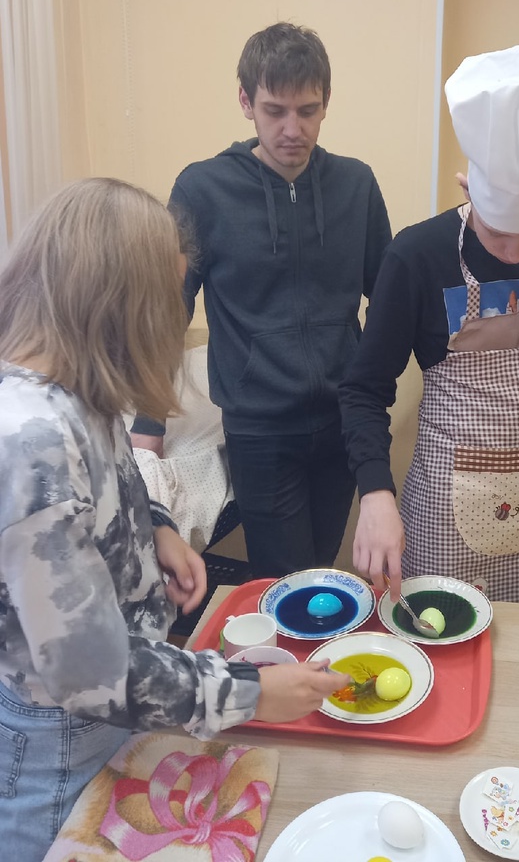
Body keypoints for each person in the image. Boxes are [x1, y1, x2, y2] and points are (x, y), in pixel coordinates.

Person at [0, 179, 350, 861]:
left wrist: (155, 524)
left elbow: (111, 479)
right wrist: (250, 693)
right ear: (119, 304)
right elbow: (91, 671)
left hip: (118, 717)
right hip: (60, 750)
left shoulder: (76, 393)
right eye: (166, 302)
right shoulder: (31, 442)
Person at [340, 43, 519, 604]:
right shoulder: (416, 256)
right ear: (468, 186)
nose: (514, 253)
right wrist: (375, 493)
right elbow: (364, 389)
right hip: (448, 504)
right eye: (498, 232)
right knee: (443, 633)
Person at [130, 23, 392, 579]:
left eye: (308, 110)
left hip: (343, 422)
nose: (293, 129)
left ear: (326, 103)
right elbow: (170, 310)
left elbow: (389, 298)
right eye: (275, 111)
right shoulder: (202, 190)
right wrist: (148, 423)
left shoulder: (356, 185)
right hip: (259, 429)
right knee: (284, 579)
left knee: (321, 571)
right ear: (246, 102)